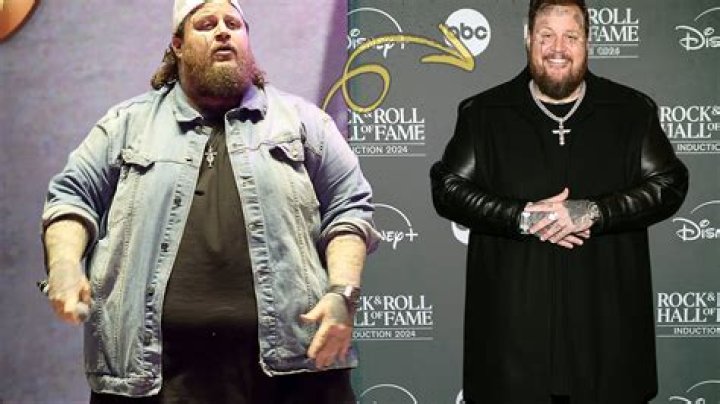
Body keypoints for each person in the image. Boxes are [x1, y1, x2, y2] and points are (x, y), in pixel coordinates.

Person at [41, 0, 379, 402]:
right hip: (154, 380)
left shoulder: (303, 122)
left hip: (295, 375)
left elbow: (349, 208)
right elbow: (71, 197)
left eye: (233, 24)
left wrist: (342, 293)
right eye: (206, 24)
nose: (223, 31)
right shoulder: (125, 126)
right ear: (178, 45)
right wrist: (64, 266)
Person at [430, 0, 689, 403]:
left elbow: (669, 184)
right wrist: (522, 217)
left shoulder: (631, 111)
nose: (558, 48)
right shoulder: (484, 113)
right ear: (528, 39)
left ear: (588, 42)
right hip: (511, 350)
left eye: (571, 36)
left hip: (609, 348)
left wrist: (594, 212)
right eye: (546, 35)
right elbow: (447, 188)